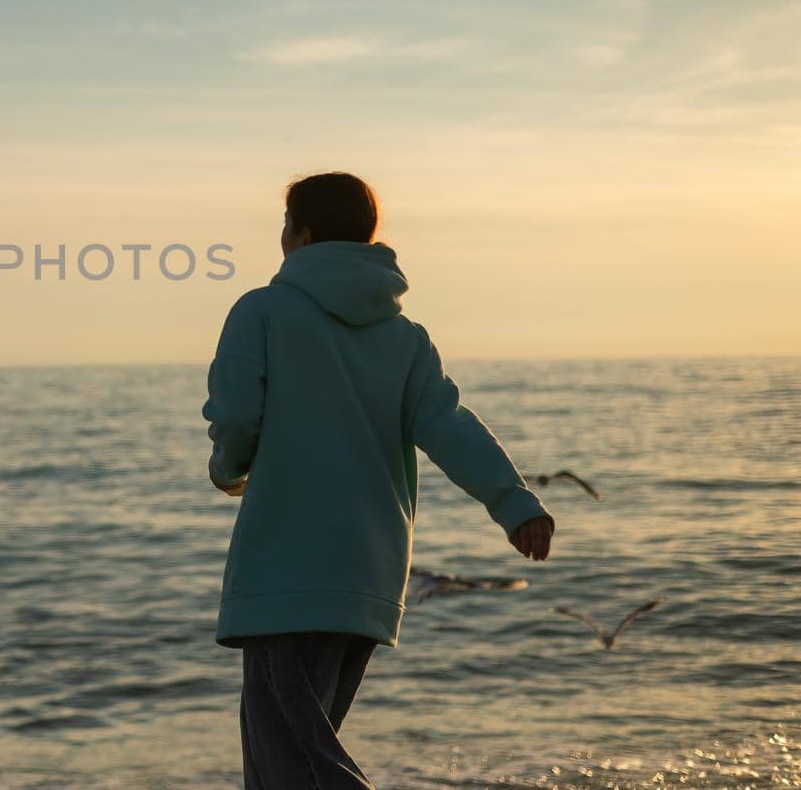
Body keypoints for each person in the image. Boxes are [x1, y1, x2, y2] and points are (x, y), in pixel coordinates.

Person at [202, 171, 555, 790]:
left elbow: (235, 413)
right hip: (368, 576)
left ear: (301, 235)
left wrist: (229, 468)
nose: (281, 237)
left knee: (291, 762)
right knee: (291, 758)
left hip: (285, 571)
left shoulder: (262, 310)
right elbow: (448, 426)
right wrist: (513, 500)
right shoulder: (405, 337)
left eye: (285, 225)